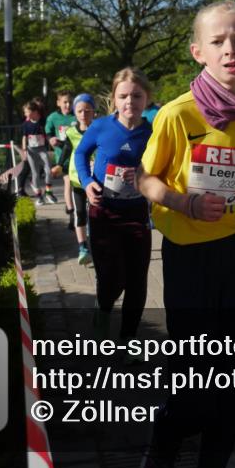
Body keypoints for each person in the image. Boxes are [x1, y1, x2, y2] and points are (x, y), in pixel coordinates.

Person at [138, 0, 235, 468]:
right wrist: (185, 202)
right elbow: (144, 180)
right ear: (198, 52)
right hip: (190, 256)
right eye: (218, 41)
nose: (231, 49)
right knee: (192, 367)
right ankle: (162, 449)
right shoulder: (176, 115)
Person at [74, 68, 153, 352]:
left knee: (137, 280)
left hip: (137, 214)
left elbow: (166, 164)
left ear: (147, 98)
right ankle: (103, 307)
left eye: (136, 95)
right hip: (103, 211)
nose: (129, 101)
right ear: (114, 99)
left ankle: (129, 340)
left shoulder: (152, 131)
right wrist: (86, 183)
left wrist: (148, 178)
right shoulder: (101, 126)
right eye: (123, 96)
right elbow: (81, 153)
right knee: (110, 277)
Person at [58, 93, 96, 265]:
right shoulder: (72, 132)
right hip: (77, 179)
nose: (84, 114)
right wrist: (59, 164)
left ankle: (97, 246)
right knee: (80, 213)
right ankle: (82, 247)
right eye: (80, 111)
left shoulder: (98, 129)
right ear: (75, 112)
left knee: (96, 215)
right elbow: (66, 149)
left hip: (97, 179)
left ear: (93, 111)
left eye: (87, 110)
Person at [45, 90, 75, 211]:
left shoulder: (77, 115)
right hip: (63, 157)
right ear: (58, 103)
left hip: (77, 155)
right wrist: (51, 139)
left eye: (70, 102)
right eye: (65, 102)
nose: (68, 105)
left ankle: (79, 208)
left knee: (78, 184)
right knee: (68, 182)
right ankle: (70, 209)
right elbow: (48, 132)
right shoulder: (53, 117)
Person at [21, 99, 53, 206]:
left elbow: (47, 132)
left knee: (48, 170)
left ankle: (48, 192)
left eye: (26, 112)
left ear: (34, 111)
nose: (25, 114)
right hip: (31, 151)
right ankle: (39, 196)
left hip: (42, 149)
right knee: (35, 173)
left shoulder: (42, 121)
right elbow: (24, 138)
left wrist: (51, 142)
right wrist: (24, 150)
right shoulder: (26, 124)